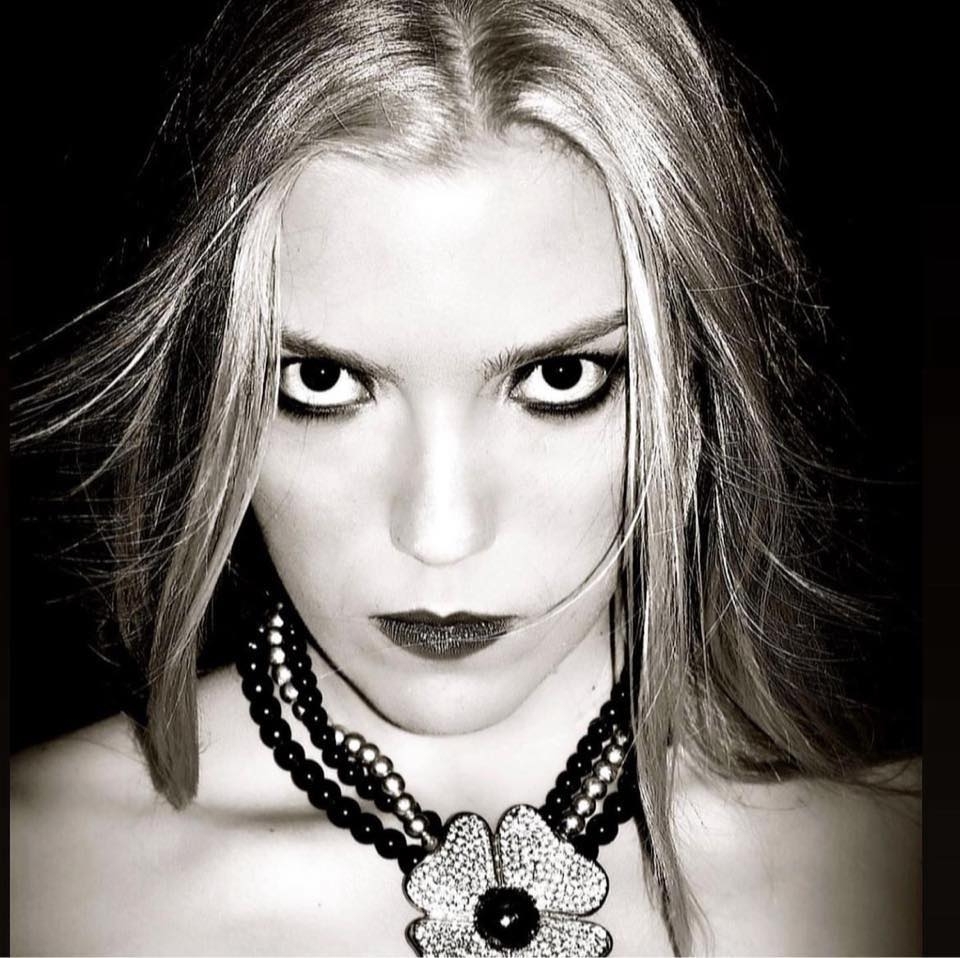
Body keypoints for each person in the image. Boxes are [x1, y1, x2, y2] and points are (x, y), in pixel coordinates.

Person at [10, 0, 920, 954]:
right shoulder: (41, 884)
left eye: (560, 379)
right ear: (214, 389)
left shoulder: (900, 876)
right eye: (321, 383)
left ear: (696, 383)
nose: (440, 534)